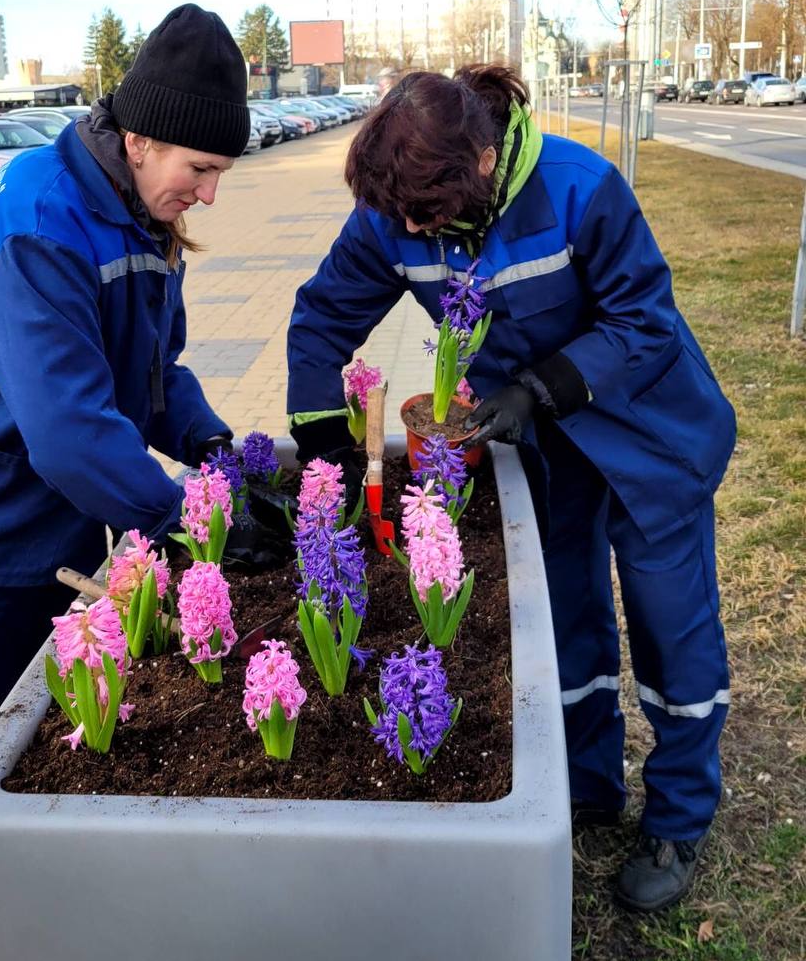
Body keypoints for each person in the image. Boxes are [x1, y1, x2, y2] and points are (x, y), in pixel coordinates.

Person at [287, 65, 734, 913]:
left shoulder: (581, 189)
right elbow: (321, 317)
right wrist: (321, 445)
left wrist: (539, 385)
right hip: (540, 454)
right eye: (402, 220)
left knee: (671, 626)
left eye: (429, 216)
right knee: (562, 623)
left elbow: (643, 320)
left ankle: (678, 815)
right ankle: (588, 786)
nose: (413, 232)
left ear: (484, 164)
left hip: (648, 437)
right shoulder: (397, 211)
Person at [0, 4, 278, 778]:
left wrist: (214, 449)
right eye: (199, 169)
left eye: (221, 174)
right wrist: (179, 517)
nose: (210, 195)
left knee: (66, 739)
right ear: (139, 138)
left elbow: (154, 377)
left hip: (58, 515)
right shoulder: (37, 217)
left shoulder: (139, 215)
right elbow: (67, 427)